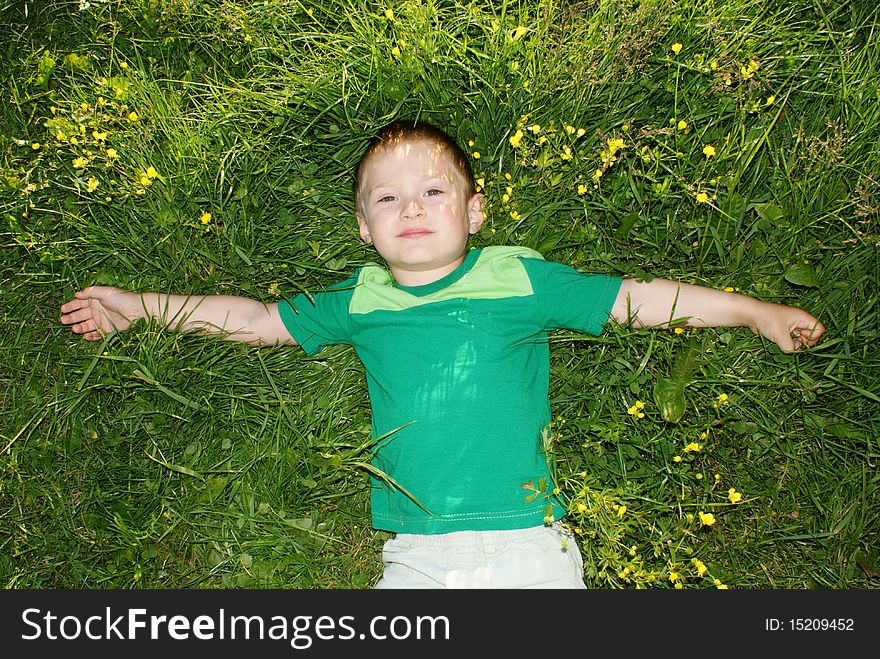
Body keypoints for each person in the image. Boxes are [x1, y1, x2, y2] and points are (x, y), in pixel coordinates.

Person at [60, 120, 825, 589]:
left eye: (433, 192)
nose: (412, 208)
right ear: (365, 228)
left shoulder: (518, 276)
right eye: (386, 198)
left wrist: (753, 311)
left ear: (474, 211)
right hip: (416, 557)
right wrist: (139, 308)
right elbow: (257, 319)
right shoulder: (361, 300)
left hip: (533, 545)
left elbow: (637, 296)